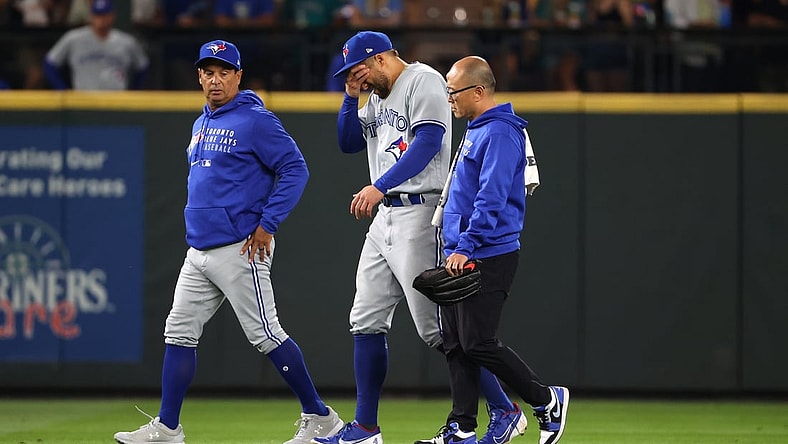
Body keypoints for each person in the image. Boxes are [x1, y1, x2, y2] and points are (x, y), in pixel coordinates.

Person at [113, 39, 343, 444]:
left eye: (224, 72)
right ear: (199, 76)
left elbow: (296, 169)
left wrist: (268, 224)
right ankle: (168, 428)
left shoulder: (256, 120)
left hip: (240, 247)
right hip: (198, 249)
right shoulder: (200, 122)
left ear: (238, 76)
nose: (215, 80)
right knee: (178, 333)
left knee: (267, 335)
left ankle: (320, 416)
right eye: (208, 72)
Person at [312, 31, 524, 444]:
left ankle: (505, 408)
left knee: (440, 331)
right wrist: (349, 97)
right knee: (365, 320)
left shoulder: (424, 80)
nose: (354, 76)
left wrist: (379, 185)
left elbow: (428, 142)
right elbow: (347, 142)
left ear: (378, 59)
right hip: (384, 217)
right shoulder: (371, 94)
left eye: (357, 68)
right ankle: (366, 427)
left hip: (420, 212)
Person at [416, 56, 568, 444]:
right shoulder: (478, 127)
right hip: (460, 250)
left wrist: (465, 247)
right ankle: (462, 428)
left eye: (453, 91)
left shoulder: (500, 132)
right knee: (456, 345)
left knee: (478, 343)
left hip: (486, 252)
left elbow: (492, 198)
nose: (448, 97)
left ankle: (546, 398)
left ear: (478, 92)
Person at [43, 0, 149, 90]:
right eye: (98, 15)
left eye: (104, 15)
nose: (101, 20)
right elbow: (50, 63)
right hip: (85, 101)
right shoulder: (74, 38)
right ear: (92, 16)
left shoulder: (126, 42)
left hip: (116, 101)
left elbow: (143, 66)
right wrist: (63, 90)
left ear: (112, 16)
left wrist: (134, 92)